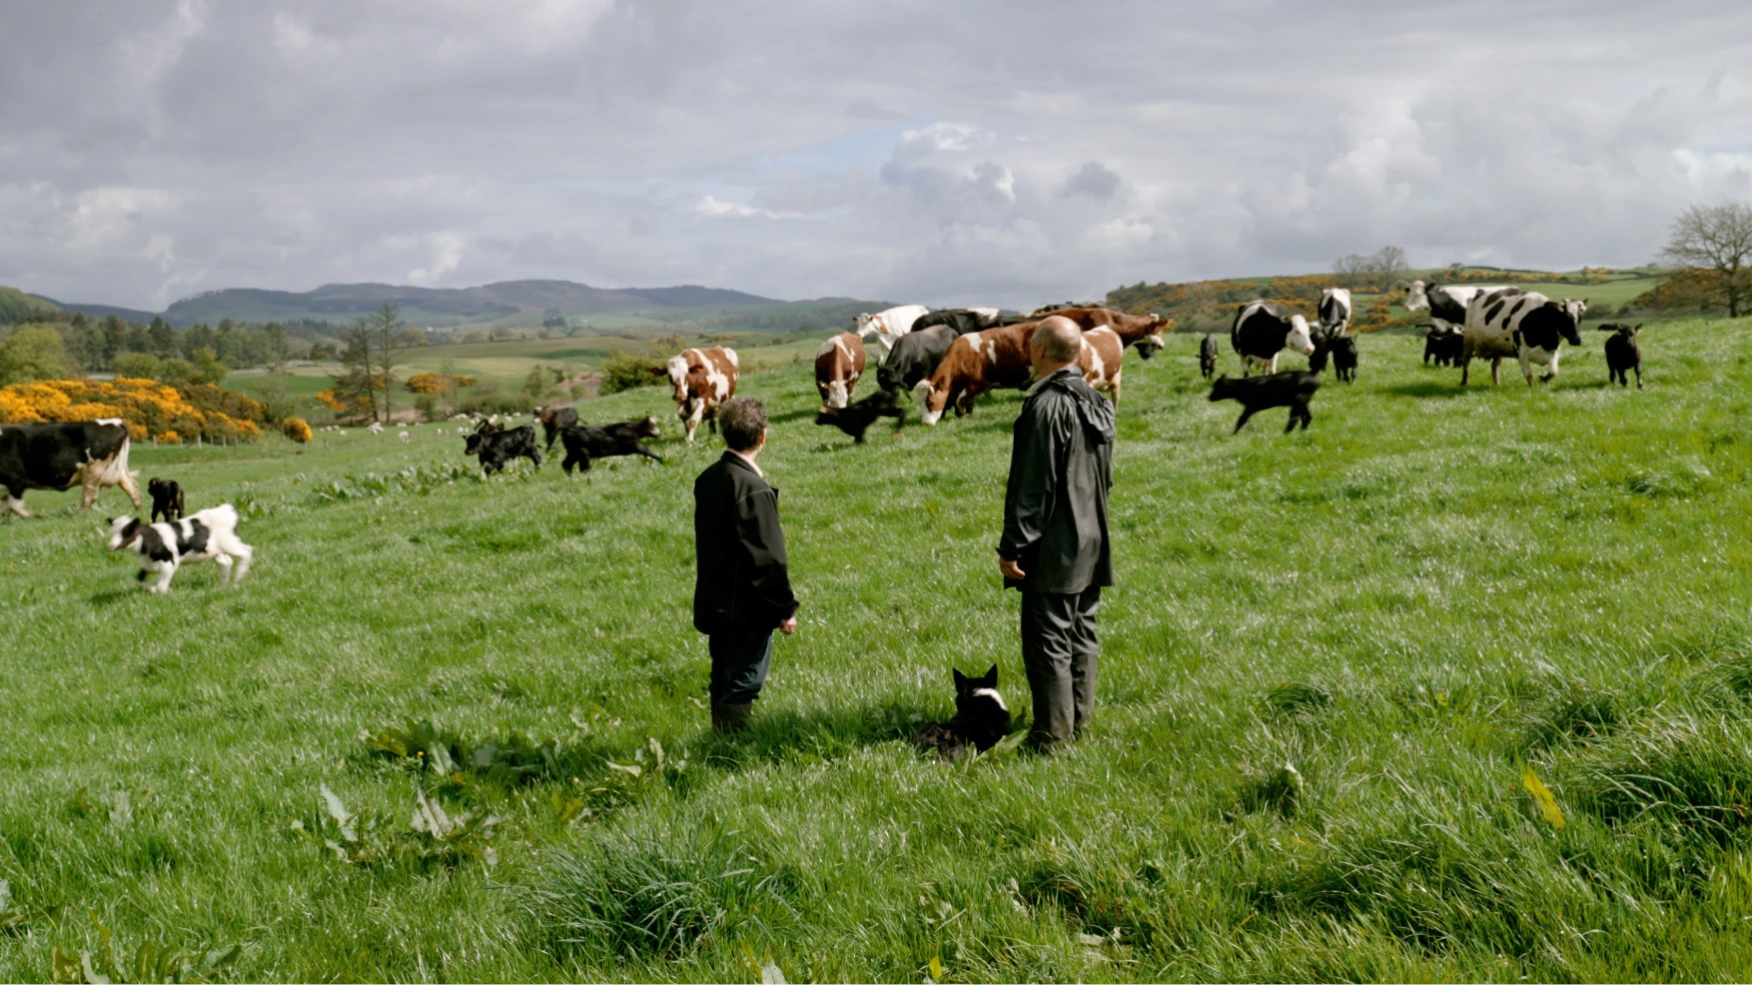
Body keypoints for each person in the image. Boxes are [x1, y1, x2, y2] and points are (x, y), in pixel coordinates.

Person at [996, 316, 1115, 751]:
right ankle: (1078, 725)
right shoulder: (1099, 402)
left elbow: (1033, 486)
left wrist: (1012, 548)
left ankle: (1051, 738)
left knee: (1048, 643)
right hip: (1093, 538)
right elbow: (1106, 479)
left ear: (1041, 350)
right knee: (1082, 634)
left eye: (1032, 343)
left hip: (1055, 544)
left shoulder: (1044, 406)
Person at [692, 397, 799, 733]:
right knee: (743, 679)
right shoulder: (752, 489)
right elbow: (769, 559)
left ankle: (719, 741)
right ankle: (732, 752)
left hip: (716, 600)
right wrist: (785, 607)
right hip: (746, 608)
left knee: (722, 672)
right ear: (763, 436)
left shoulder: (708, 478)